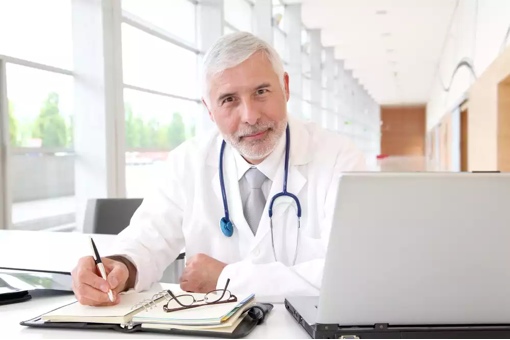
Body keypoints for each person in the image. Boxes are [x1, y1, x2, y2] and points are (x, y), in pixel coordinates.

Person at [71, 32, 366, 306]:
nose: (250, 116)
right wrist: (118, 268)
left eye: (261, 91)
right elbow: (146, 242)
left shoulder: (339, 159)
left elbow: (350, 274)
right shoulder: (187, 163)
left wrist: (227, 279)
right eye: (229, 100)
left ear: (285, 87)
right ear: (209, 109)